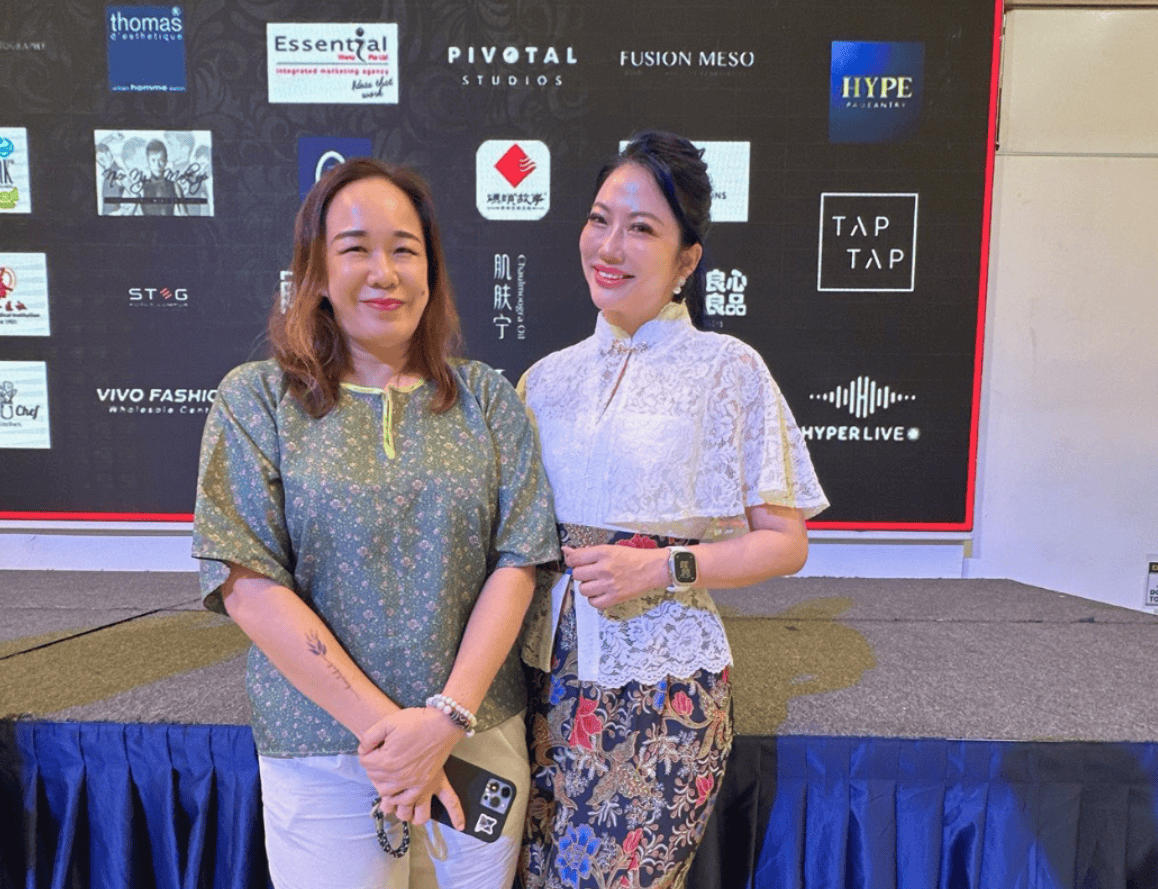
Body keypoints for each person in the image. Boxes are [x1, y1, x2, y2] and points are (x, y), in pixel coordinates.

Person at [192, 158, 560, 889]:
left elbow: (519, 561)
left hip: (477, 737)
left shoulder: (487, 398)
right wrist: (392, 739)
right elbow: (246, 581)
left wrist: (444, 721)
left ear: (431, 270)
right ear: (317, 271)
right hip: (322, 747)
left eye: (405, 250)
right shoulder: (257, 399)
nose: (384, 272)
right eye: (356, 248)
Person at [518, 131, 828, 888]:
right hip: (535, 686)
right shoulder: (543, 380)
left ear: (687, 260)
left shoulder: (728, 370)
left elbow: (784, 542)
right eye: (599, 220)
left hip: (660, 698)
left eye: (641, 229)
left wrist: (661, 567)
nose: (609, 246)